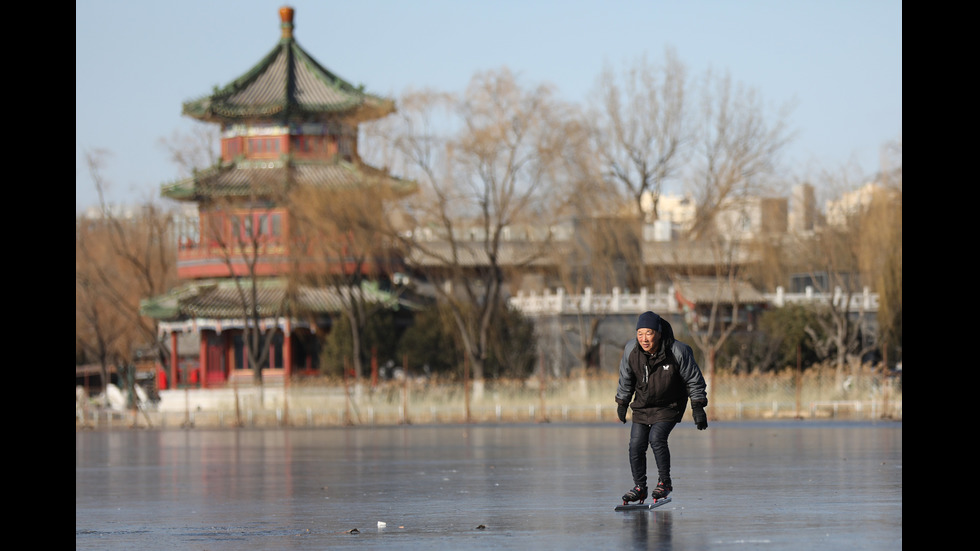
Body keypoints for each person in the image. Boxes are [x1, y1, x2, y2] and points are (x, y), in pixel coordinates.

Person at [615, 311, 708, 504]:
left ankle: (664, 483)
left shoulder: (678, 350)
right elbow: (626, 378)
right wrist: (622, 402)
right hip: (642, 405)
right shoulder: (631, 350)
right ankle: (640, 487)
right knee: (636, 444)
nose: (644, 339)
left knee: (656, 438)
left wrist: (697, 407)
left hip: (670, 404)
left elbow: (694, 379)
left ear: (657, 332)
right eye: (640, 333)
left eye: (648, 333)